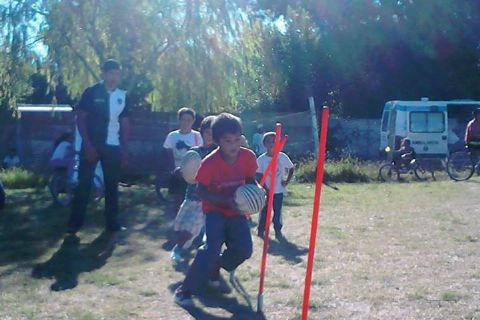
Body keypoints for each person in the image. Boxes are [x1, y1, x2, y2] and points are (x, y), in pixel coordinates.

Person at [174, 113, 258, 306]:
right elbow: (200, 190)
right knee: (211, 248)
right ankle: (185, 290)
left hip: (237, 212)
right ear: (217, 141)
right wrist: (225, 200)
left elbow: (251, 181)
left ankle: (216, 267)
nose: (234, 145)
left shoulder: (248, 157)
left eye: (237, 139)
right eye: (228, 141)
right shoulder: (210, 163)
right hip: (214, 212)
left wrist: (257, 194)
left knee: (244, 250)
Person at [67, 59, 130, 234]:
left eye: (117, 74)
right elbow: (80, 118)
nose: (114, 77)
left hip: (113, 146)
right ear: (104, 73)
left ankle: (112, 224)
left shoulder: (122, 96)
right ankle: (74, 224)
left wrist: (125, 149)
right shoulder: (92, 92)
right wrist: (86, 144)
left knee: (112, 186)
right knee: (84, 185)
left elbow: (124, 124)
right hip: (92, 145)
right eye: (111, 73)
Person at [171, 115, 217, 263]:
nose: (209, 136)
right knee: (180, 225)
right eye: (207, 132)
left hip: (206, 200)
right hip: (190, 196)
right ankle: (188, 243)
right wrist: (180, 171)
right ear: (201, 132)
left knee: (191, 228)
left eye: (212, 133)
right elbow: (187, 170)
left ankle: (179, 249)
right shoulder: (194, 151)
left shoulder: (218, 154)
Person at [163, 107, 203, 214]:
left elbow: (201, 153)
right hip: (177, 172)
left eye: (189, 120)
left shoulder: (197, 136)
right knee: (177, 199)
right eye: (183, 120)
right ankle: (177, 223)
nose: (186, 123)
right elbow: (168, 153)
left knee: (193, 200)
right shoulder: (172, 136)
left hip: (193, 174)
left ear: (193, 121)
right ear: (179, 120)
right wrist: (174, 169)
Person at [256, 132, 294, 240]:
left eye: (274, 141)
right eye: (268, 142)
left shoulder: (282, 157)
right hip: (266, 191)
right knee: (264, 211)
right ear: (264, 144)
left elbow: (291, 168)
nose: (271, 144)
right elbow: (258, 175)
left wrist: (286, 181)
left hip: (278, 190)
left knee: (277, 211)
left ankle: (278, 230)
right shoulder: (261, 159)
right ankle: (261, 229)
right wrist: (264, 188)